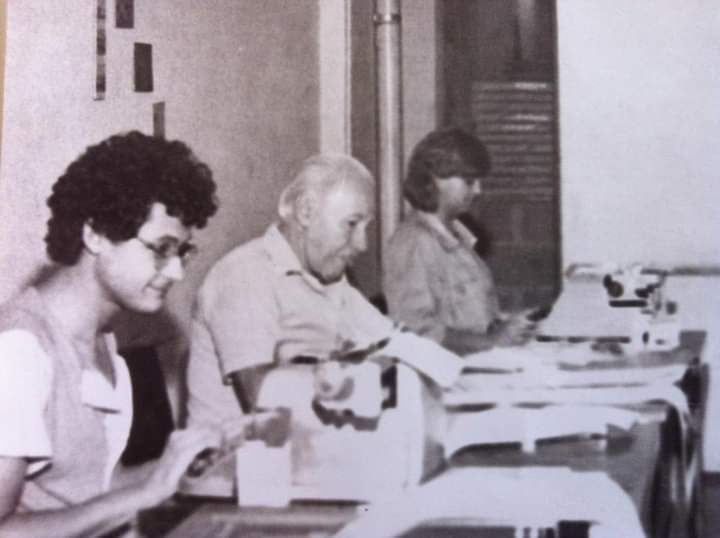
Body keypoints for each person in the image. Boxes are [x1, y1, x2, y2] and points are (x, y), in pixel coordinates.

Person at [0, 131, 234, 537]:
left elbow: (92, 488)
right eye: (160, 249)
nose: (176, 272)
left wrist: (185, 465)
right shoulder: (19, 351)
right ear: (95, 234)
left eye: (181, 252)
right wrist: (146, 493)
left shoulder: (103, 345)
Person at [186, 153, 462, 426]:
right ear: (306, 211)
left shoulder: (329, 279)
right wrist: (370, 375)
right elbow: (261, 394)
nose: (362, 244)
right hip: (233, 449)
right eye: (352, 224)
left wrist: (457, 373)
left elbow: (397, 342)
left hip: (307, 443)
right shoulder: (245, 274)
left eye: (366, 227)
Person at [383, 127, 534, 355]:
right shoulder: (413, 242)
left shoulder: (458, 237)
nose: (478, 190)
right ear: (435, 179)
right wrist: (492, 340)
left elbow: (474, 320)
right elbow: (415, 332)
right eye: (469, 181)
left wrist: (508, 326)